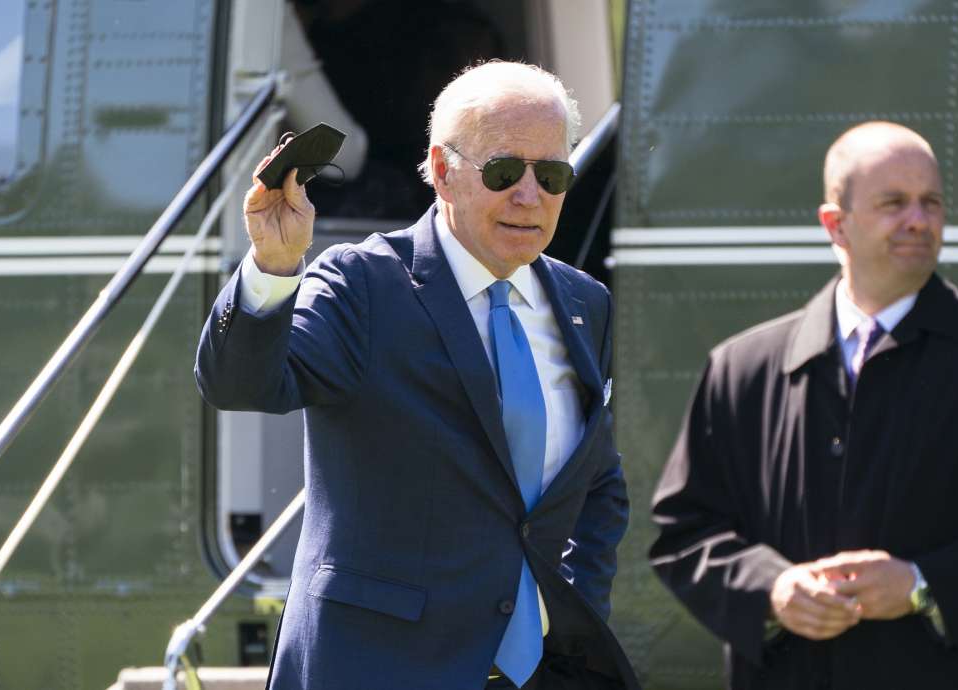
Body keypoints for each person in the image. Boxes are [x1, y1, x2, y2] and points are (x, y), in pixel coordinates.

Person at [196, 61, 637, 690]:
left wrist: (574, 615)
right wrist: (272, 266)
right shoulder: (361, 283)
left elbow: (597, 485)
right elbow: (239, 385)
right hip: (377, 669)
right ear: (442, 170)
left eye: (552, 175)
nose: (529, 196)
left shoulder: (583, 302)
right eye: (504, 172)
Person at [648, 121, 958, 690]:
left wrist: (922, 585)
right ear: (835, 224)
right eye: (894, 203)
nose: (919, 220)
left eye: (931, 202)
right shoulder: (742, 369)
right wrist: (773, 590)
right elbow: (685, 533)